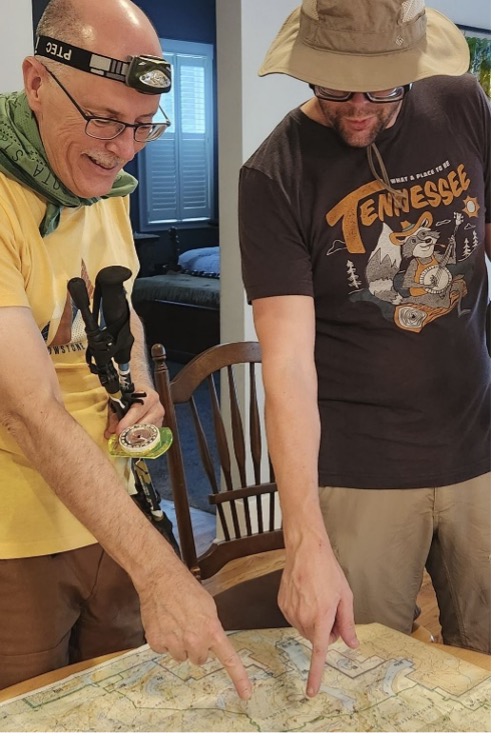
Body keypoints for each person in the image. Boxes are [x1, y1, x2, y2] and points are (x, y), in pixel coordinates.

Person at [0, 0, 251, 698]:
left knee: (127, 699)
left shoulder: (99, 183)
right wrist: (164, 572)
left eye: (144, 126)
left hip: (116, 506)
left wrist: (139, 383)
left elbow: (120, 309)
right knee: (36, 709)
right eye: (106, 118)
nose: (123, 147)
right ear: (38, 81)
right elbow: (29, 411)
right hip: (16, 535)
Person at [239, 0, 490, 698]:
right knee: (365, 683)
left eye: (380, 89)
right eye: (332, 87)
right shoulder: (273, 175)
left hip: (478, 450)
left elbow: (481, 240)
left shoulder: (464, 105)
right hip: (360, 472)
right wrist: (303, 542)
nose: (356, 109)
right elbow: (285, 367)